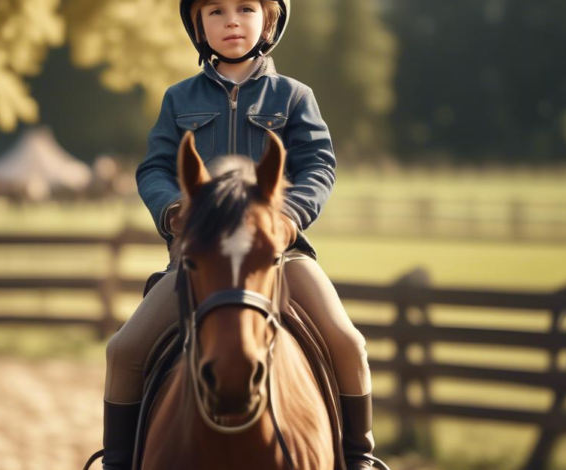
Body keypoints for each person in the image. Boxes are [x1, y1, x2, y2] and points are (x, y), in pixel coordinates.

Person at [102, 1, 384, 469]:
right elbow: (155, 167)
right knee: (124, 350)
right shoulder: (178, 99)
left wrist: (289, 216)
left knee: (347, 341)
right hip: (201, 259)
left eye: (245, 8)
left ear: (268, 20)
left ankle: (358, 458)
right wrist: (175, 210)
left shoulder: (294, 97)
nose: (231, 20)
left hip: (279, 255)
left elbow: (318, 165)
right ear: (198, 26)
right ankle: (117, 463)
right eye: (215, 11)